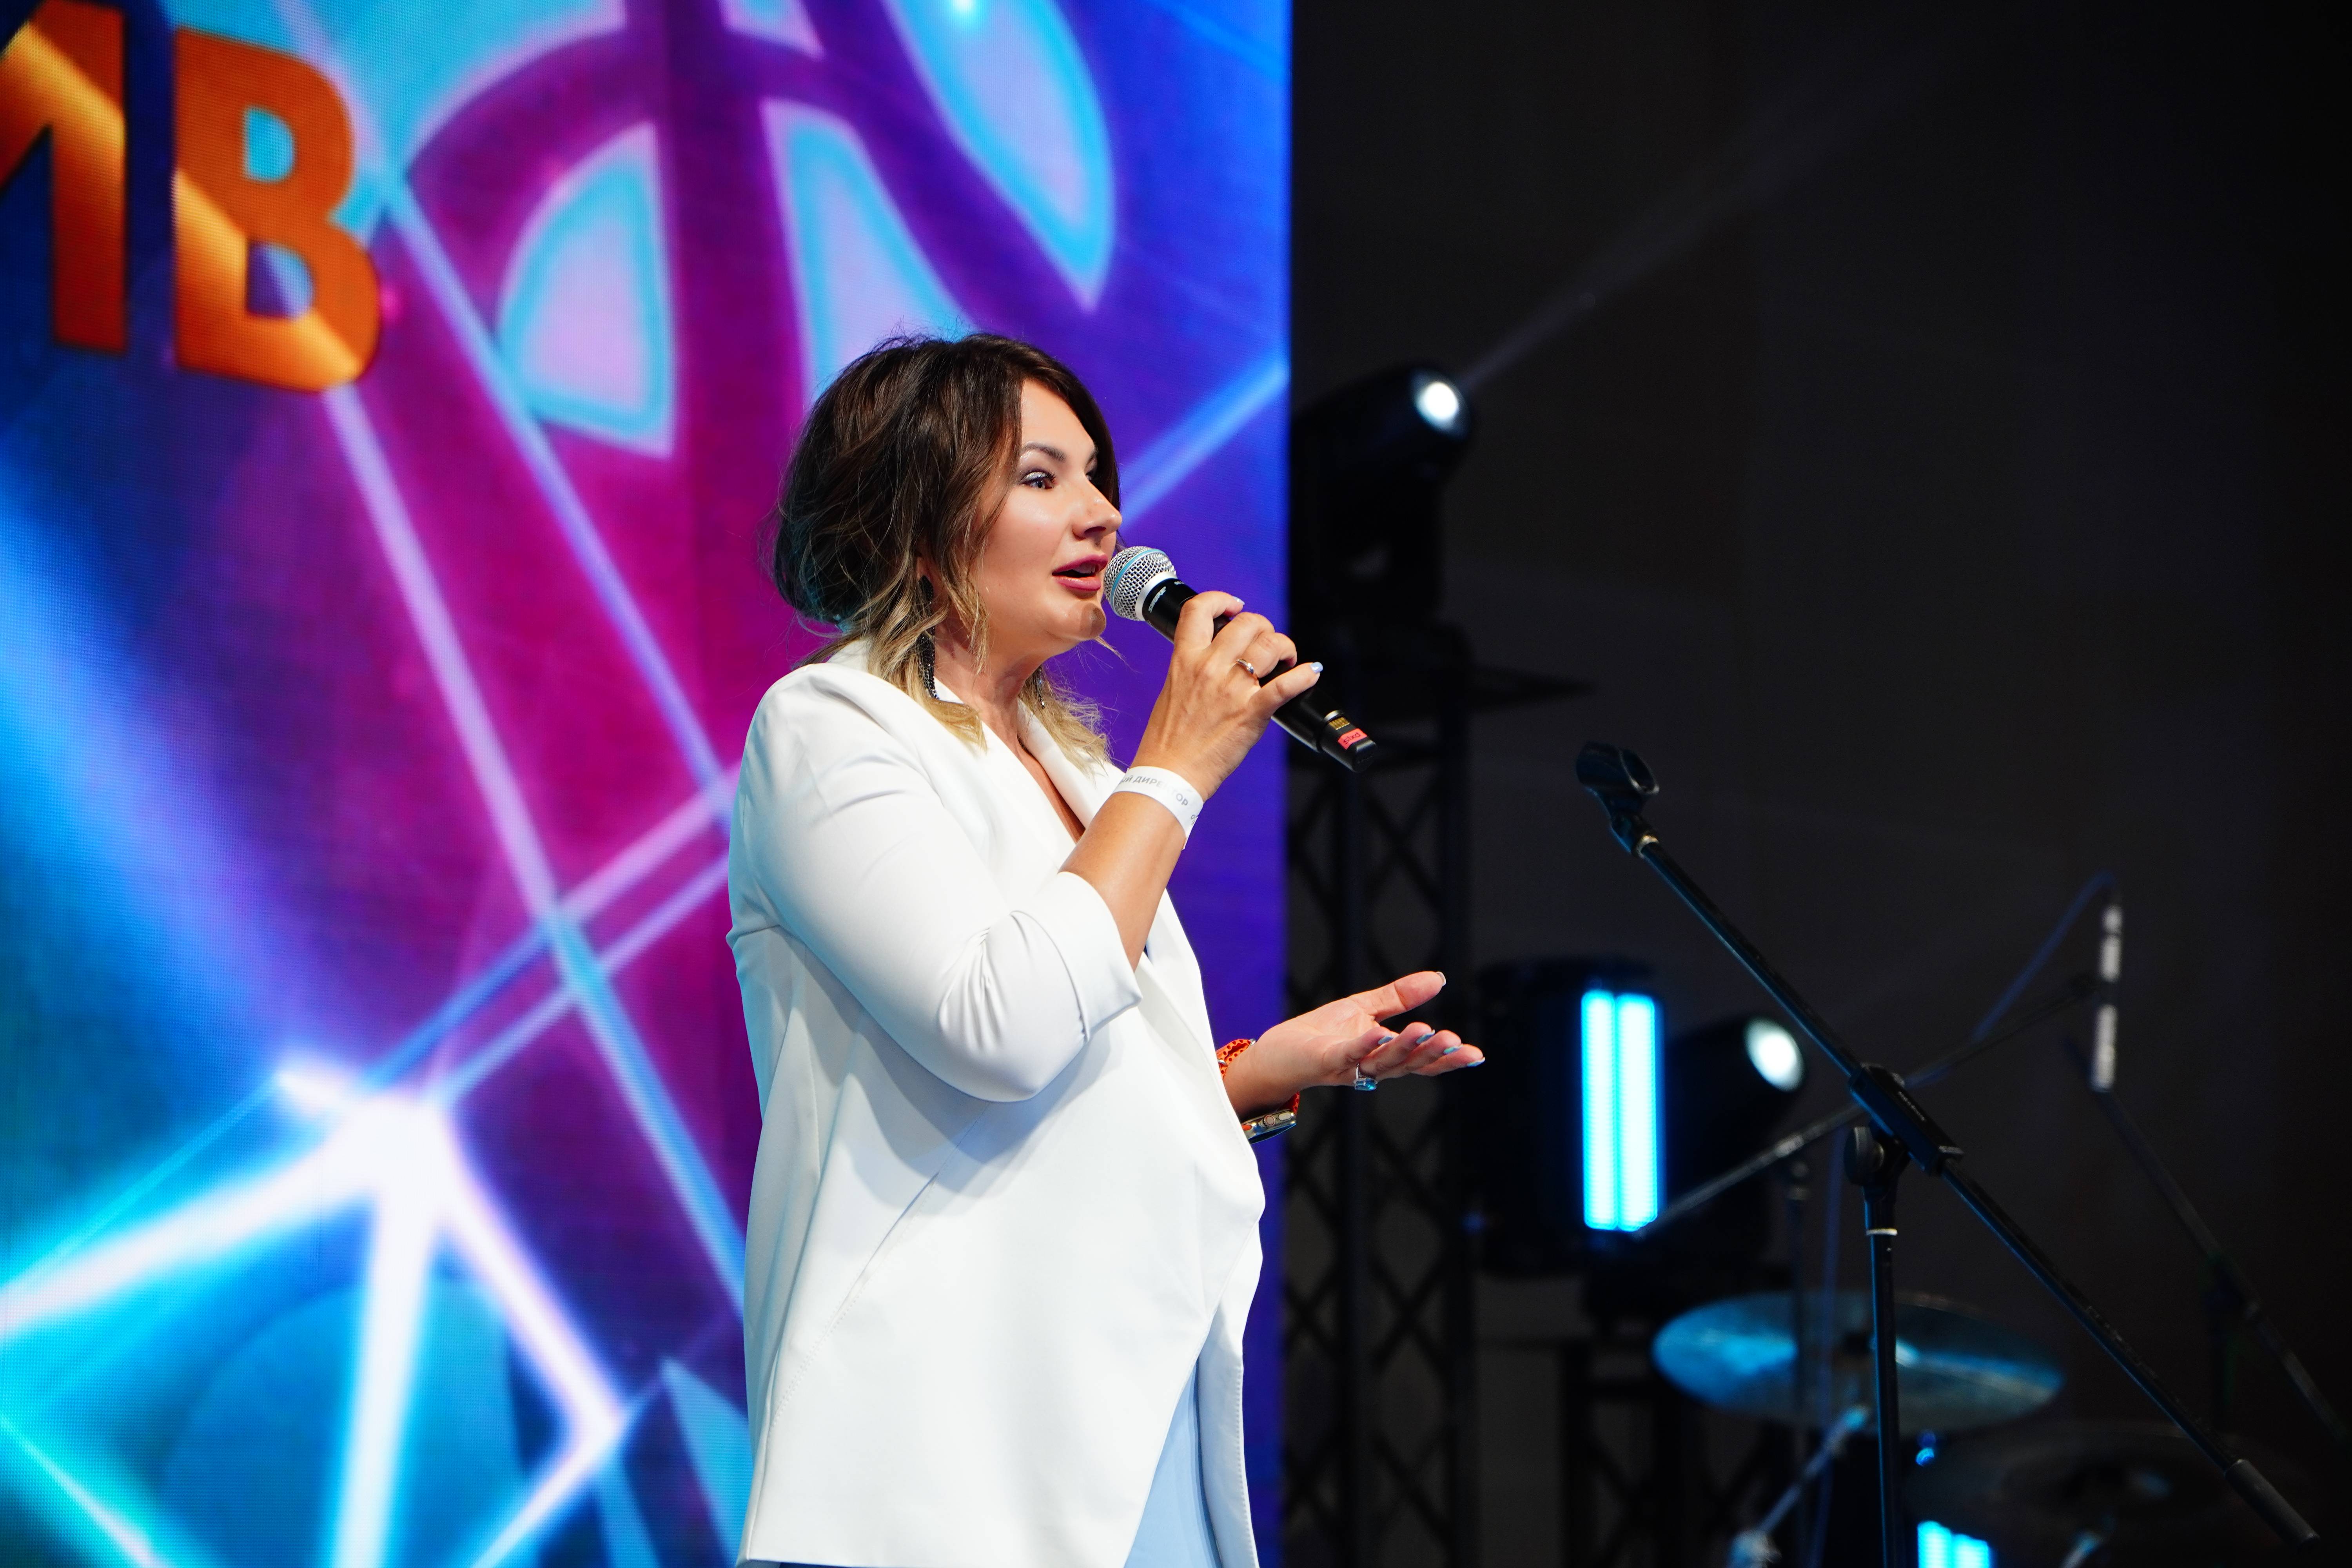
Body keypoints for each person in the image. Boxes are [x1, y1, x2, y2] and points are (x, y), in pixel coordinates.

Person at [725, 334, 1484, 1568]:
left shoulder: (1074, 774)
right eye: (1042, 477)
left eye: (1096, 476)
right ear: (918, 515)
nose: (1103, 515)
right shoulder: (830, 726)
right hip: (931, 1456)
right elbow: (1001, 1030)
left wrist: (1260, 1072)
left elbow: (1067, 1089)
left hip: (1113, 1432)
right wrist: (1176, 767)